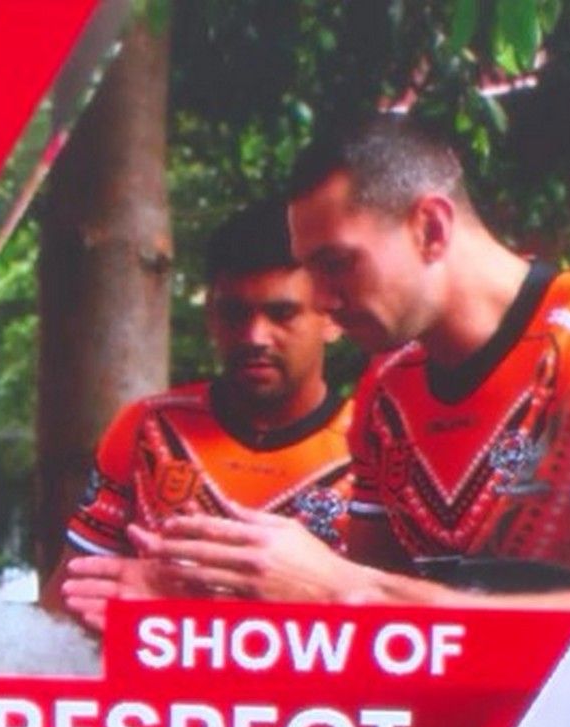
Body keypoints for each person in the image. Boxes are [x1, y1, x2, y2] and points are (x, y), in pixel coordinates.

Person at [115, 115, 570, 611]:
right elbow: (370, 624)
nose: (322, 301)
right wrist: (213, 597)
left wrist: (349, 589)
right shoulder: (389, 389)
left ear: (432, 229)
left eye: (337, 264)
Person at [49, 200, 355, 634]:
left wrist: (189, 608)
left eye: (282, 313)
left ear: (332, 318)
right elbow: (63, 606)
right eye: (234, 313)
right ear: (211, 314)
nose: (255, 336)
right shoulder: (147, 429)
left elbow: (405, 628)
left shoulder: (375, 448)